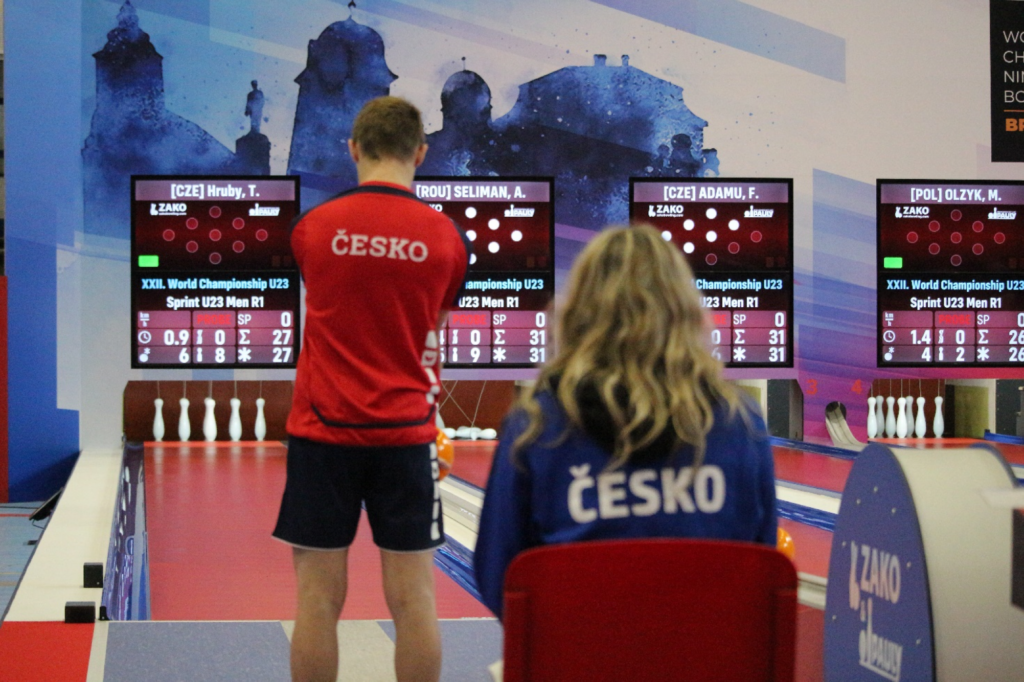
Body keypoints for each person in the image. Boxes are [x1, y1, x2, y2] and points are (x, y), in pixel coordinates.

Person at [473, 225, 777, 619]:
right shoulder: (742, 425)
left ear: (580, 314)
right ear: (685, 312)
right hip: (709, 652)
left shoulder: (536, 426)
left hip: (576, 653)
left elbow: (497, 577)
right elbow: (761, 572)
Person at [274, 96, 471, 682]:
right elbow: (433, 327)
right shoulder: (446, 239)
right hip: (405, 436)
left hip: (322, 433)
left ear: (354, 149)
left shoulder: (312, 229)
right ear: (421, 153)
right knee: (415, 599)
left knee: (316, 600)